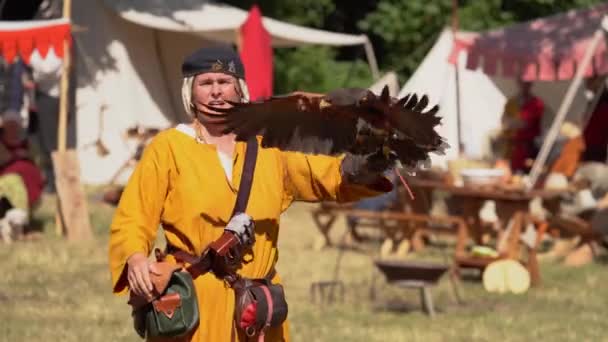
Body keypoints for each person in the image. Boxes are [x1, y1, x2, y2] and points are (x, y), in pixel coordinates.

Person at [108, 44, 393, 341]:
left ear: (240, 89)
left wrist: (370, 162)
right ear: (190, 93)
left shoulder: (269, 145)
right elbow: (133, 217)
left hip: (257, 308)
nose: (216, 92)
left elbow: (330, 177)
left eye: (224, 82)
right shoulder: (168, 148)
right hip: (196, 307)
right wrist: (135, 257)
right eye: (205, 83)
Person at [500, 80, 545, 172]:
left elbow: (525, 123)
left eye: (527, 83)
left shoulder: (536, 103)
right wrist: (514, 123)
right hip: (513, 147)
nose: (524, 85)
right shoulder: (511, 102)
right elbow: (504, 122)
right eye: (522, 82)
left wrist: (512, 122)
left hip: (529, 148)